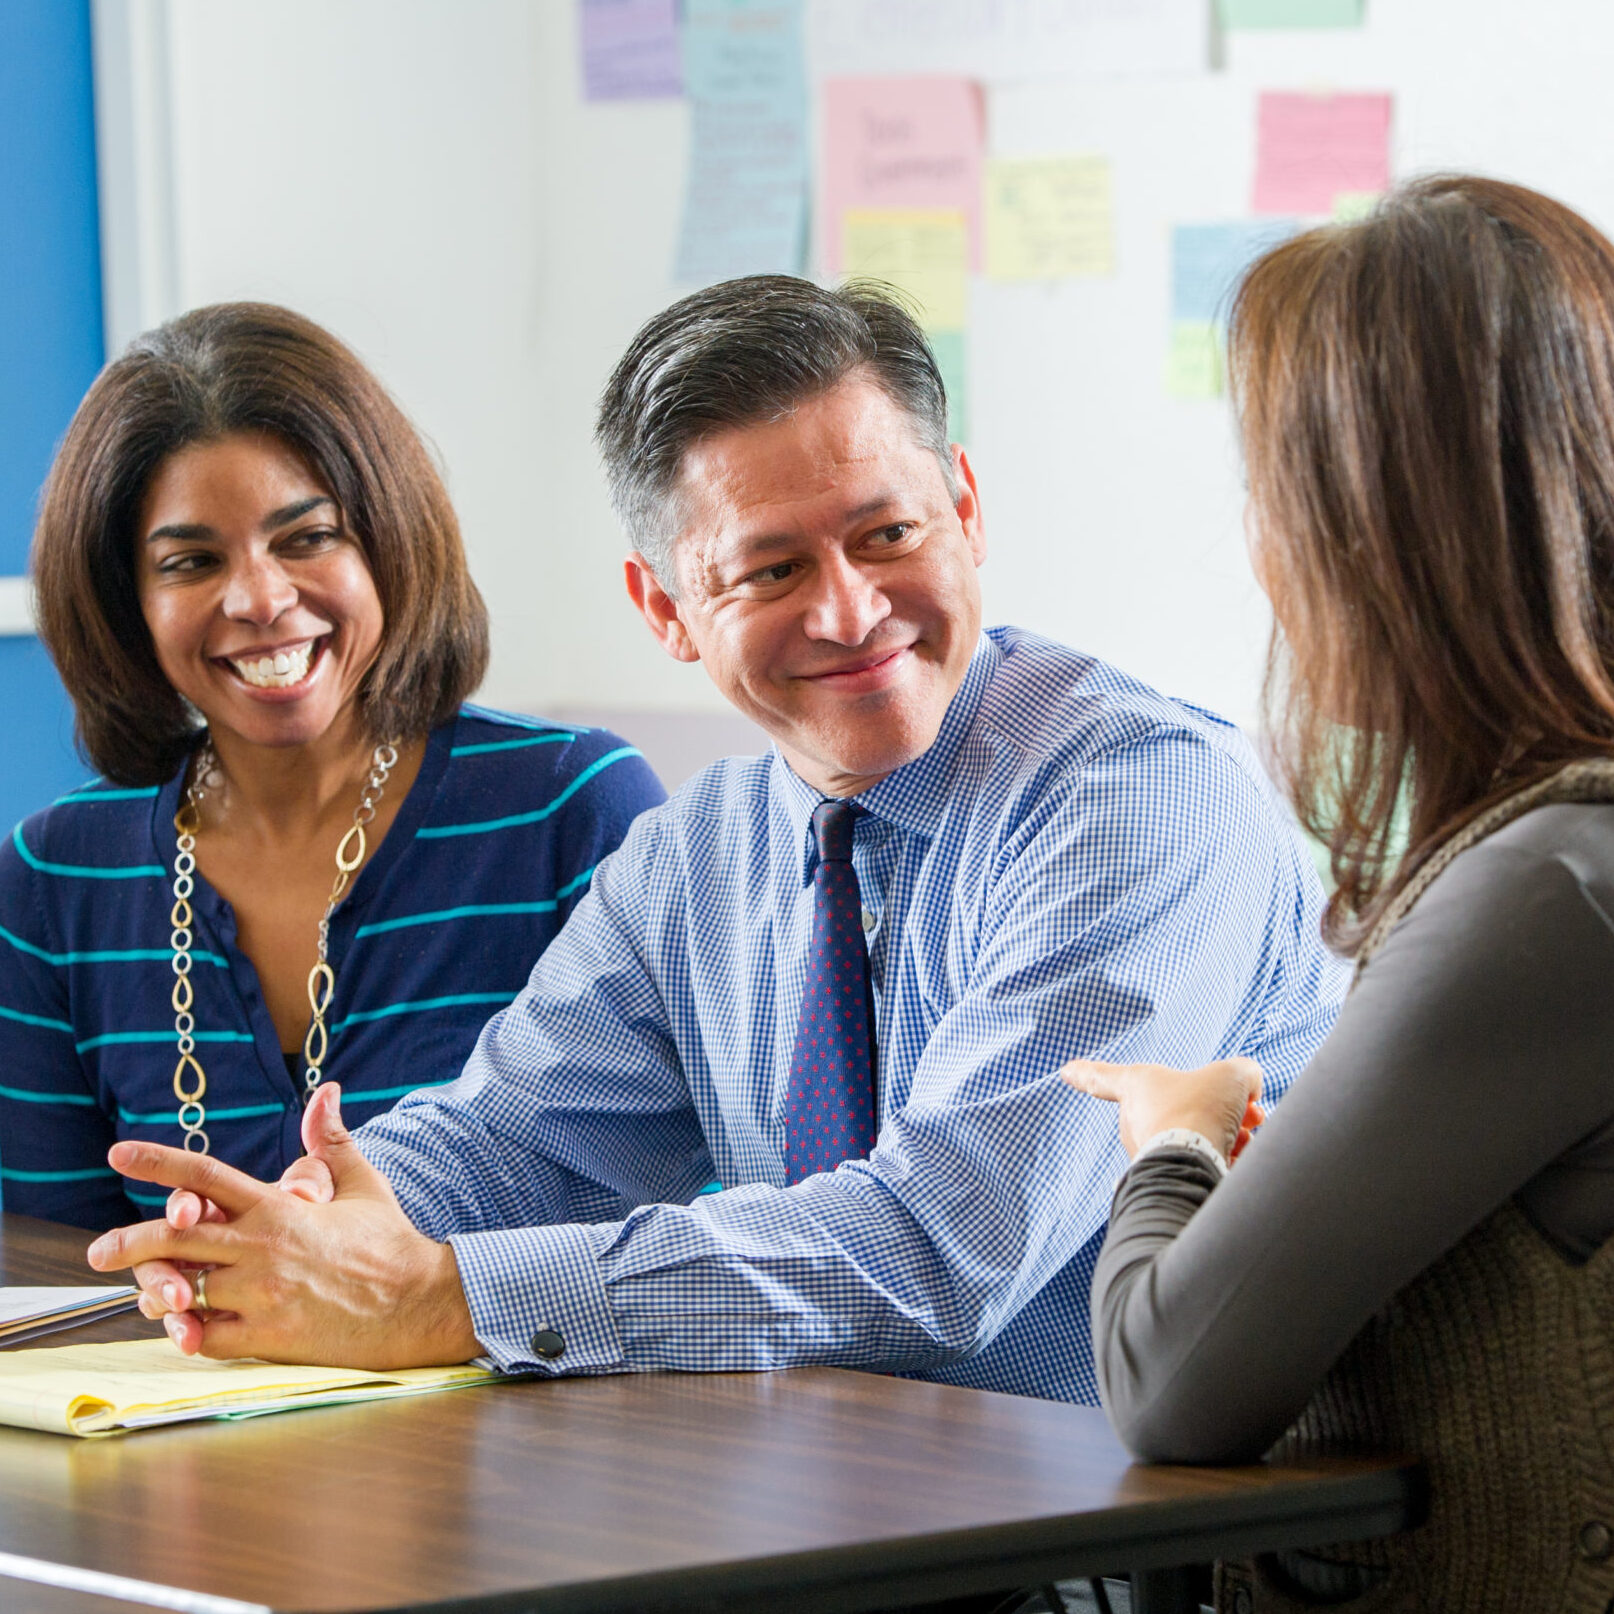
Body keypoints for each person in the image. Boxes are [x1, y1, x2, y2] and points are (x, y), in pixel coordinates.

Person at [90, 276, 1346, 1412]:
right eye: (771, 569)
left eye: (888, 535)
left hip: (1138, 1552)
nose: (850, 609)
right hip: (844, 1514)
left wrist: (440, 1296)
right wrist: (328, 1220)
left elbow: (942, 1251)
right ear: (668, 610)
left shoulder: (1138, 800)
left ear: (964, 509)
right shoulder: (700, 849)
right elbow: (517, 1138)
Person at [1062, 174, 1614, 1611]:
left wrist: (1170, 1142)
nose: (1262, 551)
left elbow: (1166, 1380)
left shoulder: (1549, 891)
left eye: (1276, 492)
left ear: (1392, 529)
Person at [0, 302, 664, 1229]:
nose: (262, 598)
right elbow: (54, 1268)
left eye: (308, 538)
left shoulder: (569, 806)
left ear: (387, 539)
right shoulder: (54, 874)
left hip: (538, 1371)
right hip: (173, 1371)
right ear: (126, 603)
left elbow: (674, 1204)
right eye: (191, 561)